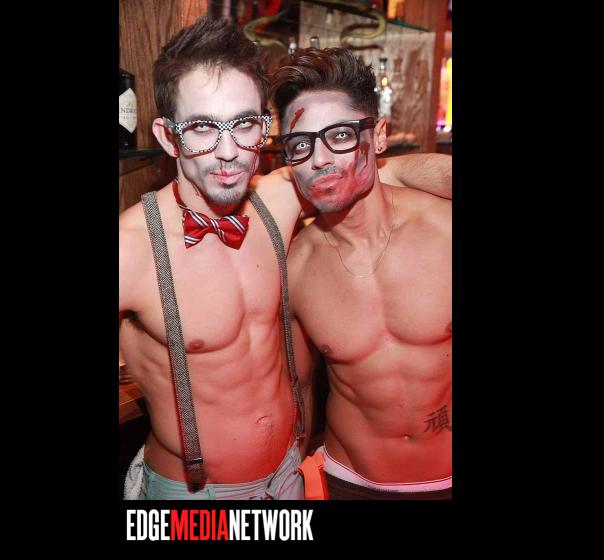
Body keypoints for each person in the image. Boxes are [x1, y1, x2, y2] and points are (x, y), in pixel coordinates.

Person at [119, 16, 451, 500]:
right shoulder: (130, 247)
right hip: (194, 497)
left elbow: (361, 170)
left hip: (287, 479)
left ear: (263, 127)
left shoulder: (278, 199)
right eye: (202, 128)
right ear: (168, 138)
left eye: (244, 125)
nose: (228, 152)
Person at [272, 48, 452, 499]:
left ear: (380, 135)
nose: (319, 160)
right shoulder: (296, 269)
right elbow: (298, 394)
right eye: (300, 145)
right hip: (349, 483)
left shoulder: (445, 231)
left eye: (340, 136)